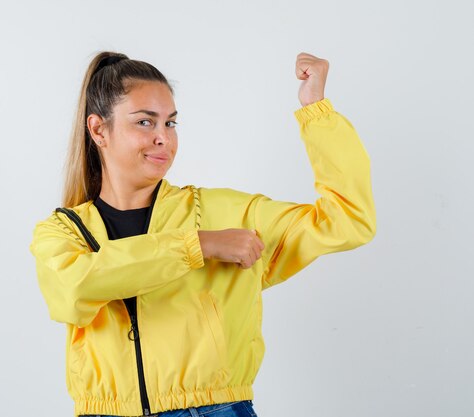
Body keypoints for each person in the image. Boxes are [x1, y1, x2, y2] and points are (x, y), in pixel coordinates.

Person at [29, 51, 376, 417]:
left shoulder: (227, 213)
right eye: (145, 123)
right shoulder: (64, 231)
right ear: (98, 129)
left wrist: (316, 110)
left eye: (171, 123)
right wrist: (200, 245)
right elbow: (75, 290)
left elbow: (348, 219)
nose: (163, 138)